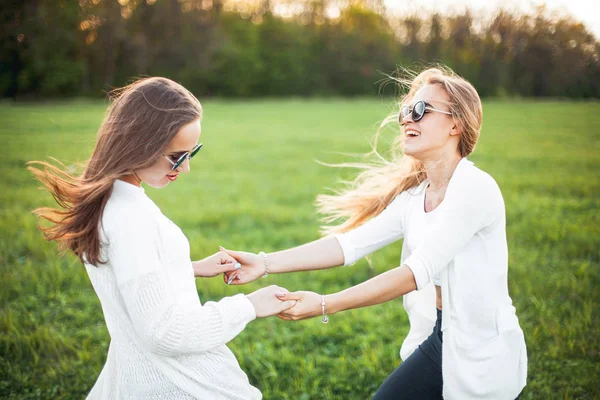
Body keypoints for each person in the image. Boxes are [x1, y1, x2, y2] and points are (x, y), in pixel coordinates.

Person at [221, 67, 528, 399]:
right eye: (406, 112)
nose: (408, 120)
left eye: (421, 110)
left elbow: (414, 273)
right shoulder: (415, 196)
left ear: (456, 123)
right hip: (442, 336)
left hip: (481, 351)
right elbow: (348, 245)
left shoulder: (475, 188)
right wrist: (264, 263)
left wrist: (325, 303)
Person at [28, 77, 295, 400]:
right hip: (180, 383)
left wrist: (187, 266)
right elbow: (165, 332)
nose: (184, 170)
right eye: (176, 157)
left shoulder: (113, 199)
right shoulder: (129, 218)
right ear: (138, 143)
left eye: (191, 154)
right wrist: (249, 305)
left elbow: (128, 276)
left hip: (146, 374)